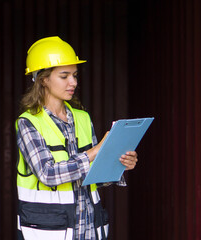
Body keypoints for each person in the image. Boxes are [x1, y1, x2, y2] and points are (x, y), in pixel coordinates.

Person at [15, 36, 138, 240]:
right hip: (50, 231)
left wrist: (118, 164)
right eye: (64, 76)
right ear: (43, 79)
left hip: (90, 228)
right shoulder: (28, 122)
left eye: (74, 75)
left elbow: (91, 178)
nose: (73, 82)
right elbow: (48, 174)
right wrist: (93, 152)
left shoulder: (82, 118)